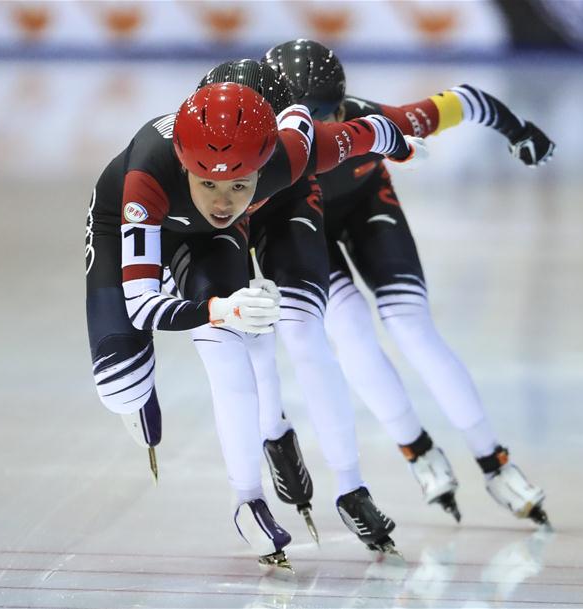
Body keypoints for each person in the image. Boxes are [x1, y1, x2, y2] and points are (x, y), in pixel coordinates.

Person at [85, 81, 416, 568]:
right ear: (183, 162)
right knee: (119, 383)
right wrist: (220, 308)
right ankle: (138, 396)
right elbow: (141, 305)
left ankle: (247, 499)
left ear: (265, 167)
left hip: (207, 241)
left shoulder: (291, 155)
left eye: (241, 184)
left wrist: (402, 145)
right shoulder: (147, 176)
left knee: (229, 345)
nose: (224, 201)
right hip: (128, 225)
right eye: (209, 182)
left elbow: (368, 133)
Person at [257, 39, 554, 526]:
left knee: (411, 327)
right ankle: (418, 451)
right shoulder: (263, 146)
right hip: (303, 230)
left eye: (331, 112)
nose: (322, 129)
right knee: (349, 329)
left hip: (367, 207)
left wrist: (518, 131)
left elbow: (466, 100)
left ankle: (494, 460)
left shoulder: (375, 121)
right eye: (308, 116)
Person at [195, 59, 424, 556]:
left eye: (249, 161)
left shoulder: (299, 147)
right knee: (238, 338)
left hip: (288, 205)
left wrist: (398, 142)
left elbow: (368, 131)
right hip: (216, 224)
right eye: (220, 164)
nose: (235, 174)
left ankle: (350, 485)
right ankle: (267, 450)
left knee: (304, 333)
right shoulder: (179, 156)